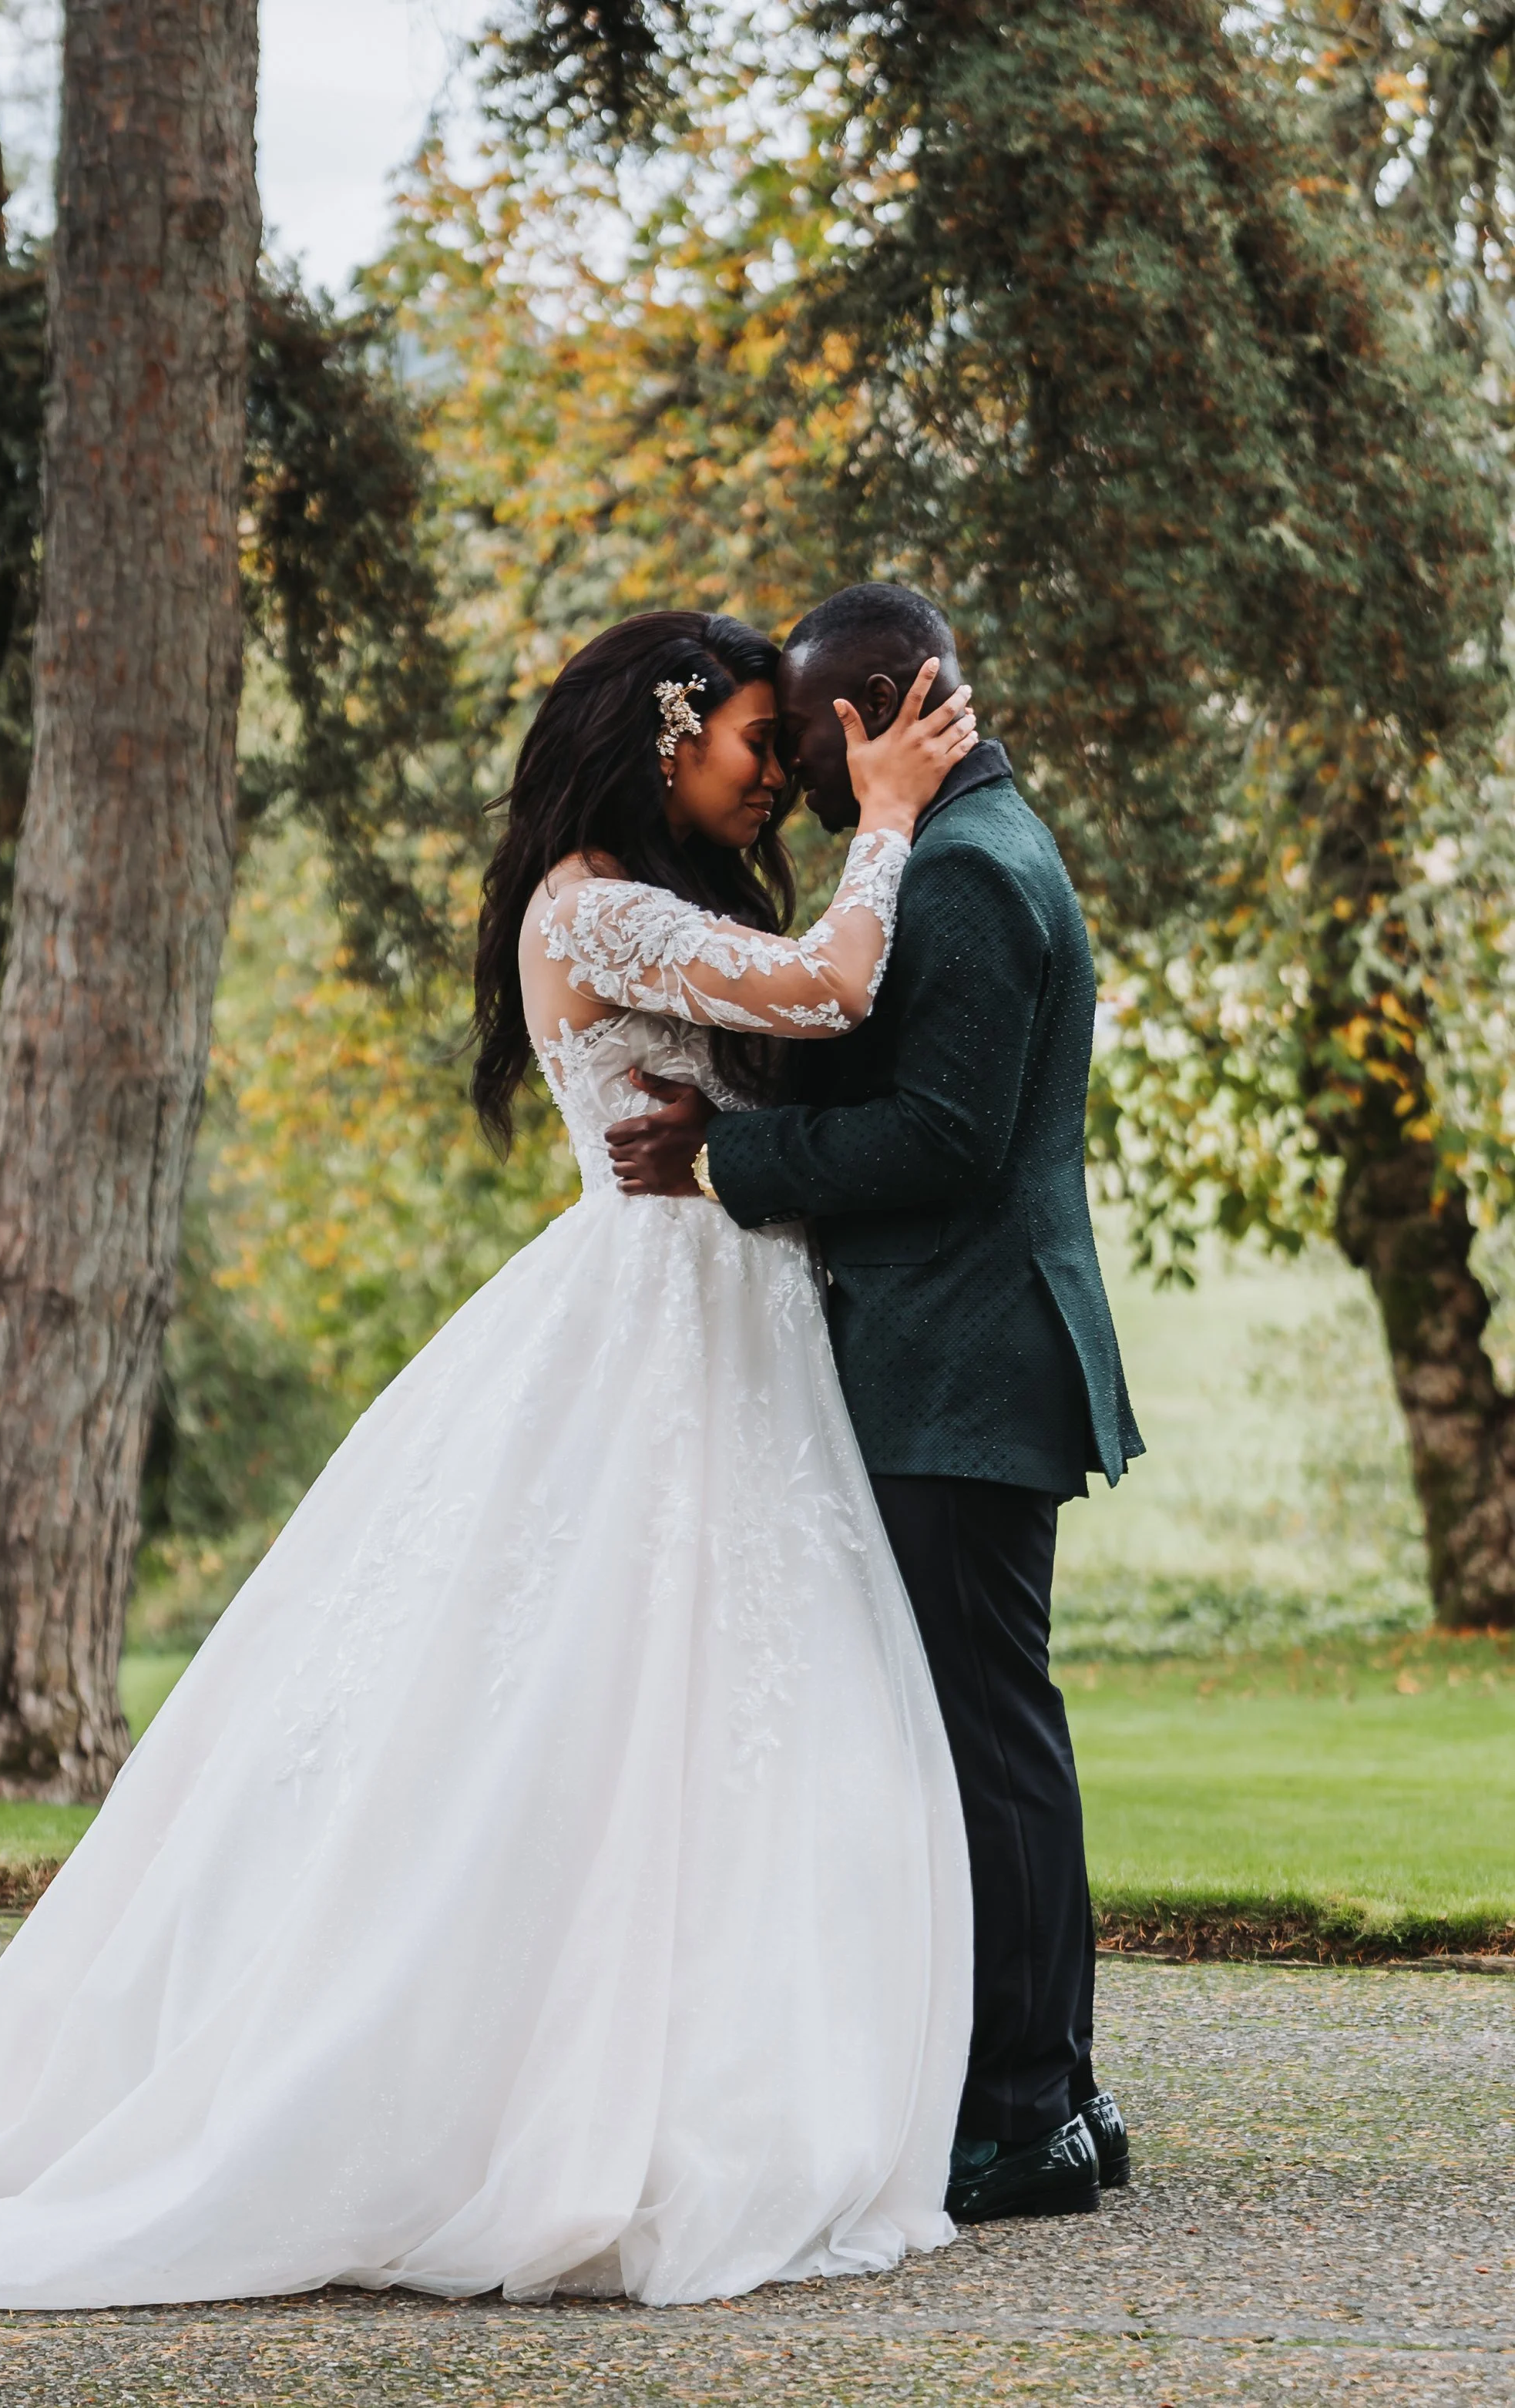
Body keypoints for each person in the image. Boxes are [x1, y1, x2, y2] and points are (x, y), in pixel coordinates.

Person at [0, 610, 983, 2310]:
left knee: (732, 1704)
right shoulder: (590, 904)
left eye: (791, 755)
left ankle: (739, 2073)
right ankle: (508, 2099)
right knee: (584, 1694)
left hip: (736, 1321)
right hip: (647, 1326)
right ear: (664, 734)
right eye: (755, 746)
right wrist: (891, 814)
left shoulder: (681, 903)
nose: (776, 777)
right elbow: (833, 983)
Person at [606, 583, 1145, 2222]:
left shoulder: (971, 873)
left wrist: (724, 1154)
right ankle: (1057, 2084)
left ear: (867, 714)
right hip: (957, 1351)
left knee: (983, 1740)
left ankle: (1030, 2107)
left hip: (962, 1358)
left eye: (809, 739)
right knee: (991, 1729)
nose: (812, 783)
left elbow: (943, 1138)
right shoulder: (981, 840)